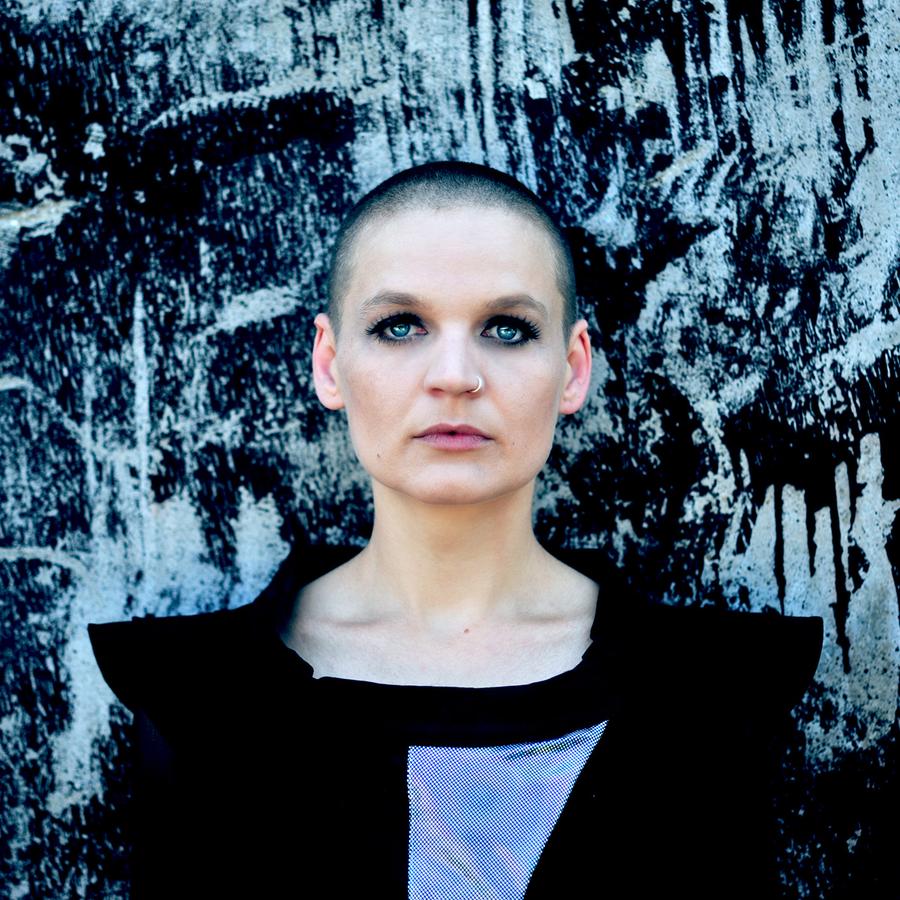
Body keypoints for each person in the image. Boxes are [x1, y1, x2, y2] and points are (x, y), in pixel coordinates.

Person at [88, 161, 823, 899]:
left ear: (573, 370)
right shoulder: (196, 698)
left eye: (507, 329)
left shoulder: (716, 693)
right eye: (400, 326)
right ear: (329, 364)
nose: (454, 375)